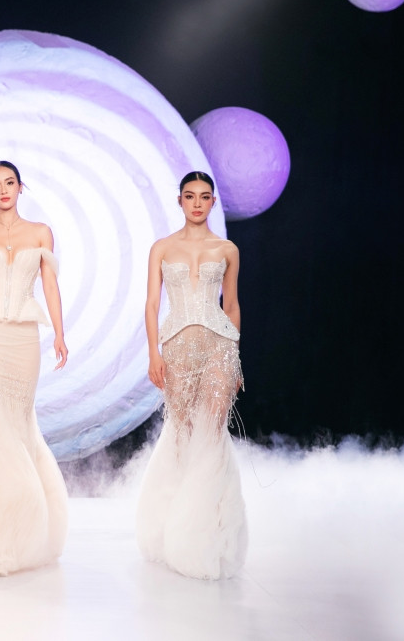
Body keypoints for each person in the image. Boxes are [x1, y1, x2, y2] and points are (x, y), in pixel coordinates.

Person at [0, 160, 70, 576]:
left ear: (21, 187)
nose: (3, 189)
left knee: (19, 428)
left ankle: (25, 531)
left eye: (9, 182)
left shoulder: (41, 233)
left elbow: (50, 285)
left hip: (23, 338)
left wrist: (59, 334)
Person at [136, 170, 247, 580]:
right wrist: (153, 352)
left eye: (204, 196)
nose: (197, 203)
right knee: (181, 434)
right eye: (189, 196)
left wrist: (236, 355)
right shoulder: (162, 248)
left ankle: (209, 534)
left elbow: (231, 305)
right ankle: (172, 528)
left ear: (213, 202)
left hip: (219, 346)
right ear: (179, 200)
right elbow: (151, 304)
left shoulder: (228, 249)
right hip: (178, 346)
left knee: (212, 434)